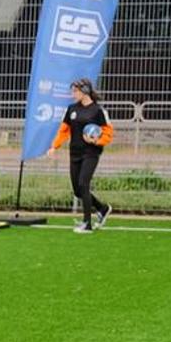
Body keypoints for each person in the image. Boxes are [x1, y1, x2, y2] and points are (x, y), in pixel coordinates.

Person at [45, 77, 115, 233]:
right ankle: (102, 209)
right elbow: (63, 131)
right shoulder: (71, 109)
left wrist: (96, 141)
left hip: (91, 153)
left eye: (75, 91)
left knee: (84, 184)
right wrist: (54, 146)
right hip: (75, 153)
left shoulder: (98, 111)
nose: (73, 94)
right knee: (77, 190)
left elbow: (108, 133)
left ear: (85, 91)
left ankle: (87, 224)